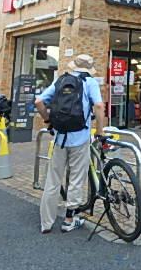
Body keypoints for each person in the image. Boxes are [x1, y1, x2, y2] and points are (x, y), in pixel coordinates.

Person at [35, 54, 106, 234]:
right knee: (76, 178)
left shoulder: (60, 81)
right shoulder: (90, 82)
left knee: (53, 180)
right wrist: (100, 131)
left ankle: (46, 223)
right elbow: (99, 106)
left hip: (60, 138)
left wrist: (48, 120)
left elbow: (39, 102)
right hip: (80, 138)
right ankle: (69, 220)